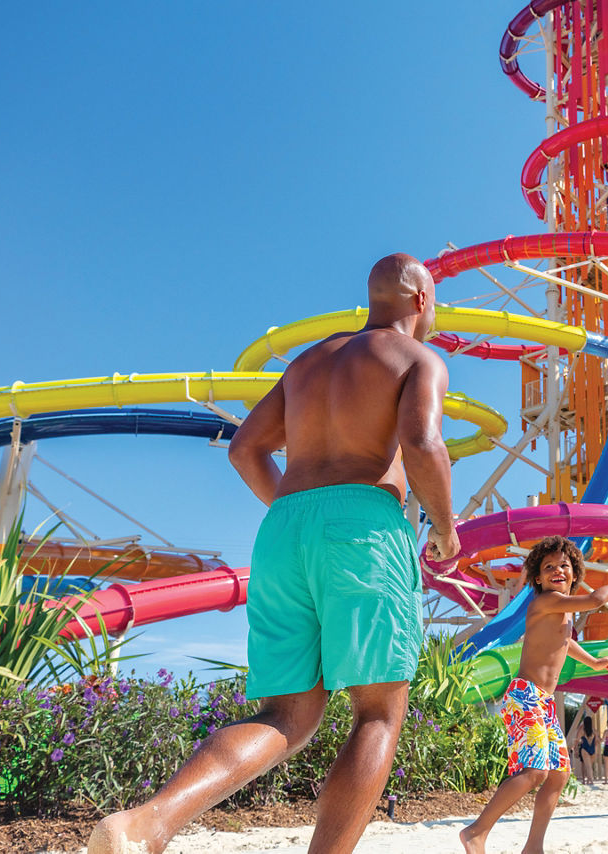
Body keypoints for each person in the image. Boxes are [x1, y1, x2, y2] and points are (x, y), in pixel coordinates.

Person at [88, 253, 460, 854]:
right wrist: (444, 528)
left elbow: (245, 450)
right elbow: (422, 442)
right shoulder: (417, 358)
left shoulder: (308, 362)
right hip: (362, 523)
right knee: (377, 713)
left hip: (284, 528)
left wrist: (291, 512)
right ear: (420, 299)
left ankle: (147, 823)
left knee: (287, 714)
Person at [460, 537, 608, 854]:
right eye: (548, 567)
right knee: (535, 772)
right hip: (525, 697)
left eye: (564, 565)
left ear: (574, 573)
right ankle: (475, 832)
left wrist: (594, 661)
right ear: (537, 577)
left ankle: (533, 846)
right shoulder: (545, 601)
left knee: (559, 775)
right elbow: (598, 600)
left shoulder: (562, 610)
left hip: (543, 702)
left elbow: (565, 642)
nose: (557, 570)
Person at [576, 716, 598, 785]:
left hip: (585, 748)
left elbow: (577, 740)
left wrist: (576, 749)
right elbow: (597, 741)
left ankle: (590, 781)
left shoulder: (582, 730)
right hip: (592, 748)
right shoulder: (594, 730)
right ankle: (589, 780)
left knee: (587, 766)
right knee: (589, 766)